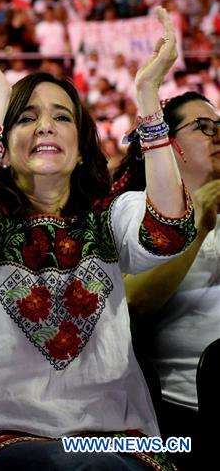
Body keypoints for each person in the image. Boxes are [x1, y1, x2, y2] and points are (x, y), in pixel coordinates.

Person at [0, 8, 195, 470]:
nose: (45, 126)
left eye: (61, 117)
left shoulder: (111, 215)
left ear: (80, 147)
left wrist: (148, 99)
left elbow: (168, 231)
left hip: (111, 438)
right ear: (5, 147)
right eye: (26, 118)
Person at [116, 91, 220, 469]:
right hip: (180, 422)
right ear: (167, 144)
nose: (218, 136)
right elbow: (132, 304)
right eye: (204, 128)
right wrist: (201, 218)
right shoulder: (136, 216)